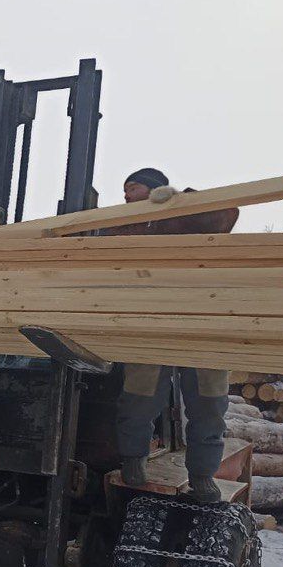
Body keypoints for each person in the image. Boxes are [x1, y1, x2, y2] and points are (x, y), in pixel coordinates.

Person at [110, 168, 240, 502]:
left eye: (132, 188)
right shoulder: (126, 223)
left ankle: (202, 475)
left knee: (209, 405)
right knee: (138, 398)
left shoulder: (185, 214)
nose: (125, 196)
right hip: (152, 322)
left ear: (154, 189)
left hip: (202, 323)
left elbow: (227, 213)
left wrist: (182, 198)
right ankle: (133, 458)